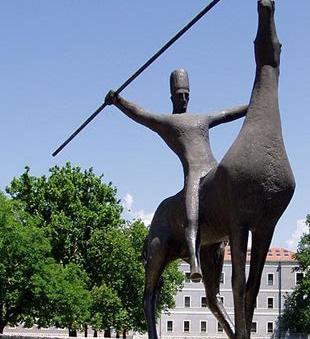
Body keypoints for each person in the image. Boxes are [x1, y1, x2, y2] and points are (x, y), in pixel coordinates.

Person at [106, 69, 248, 281]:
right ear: (171, 96)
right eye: (180, 94)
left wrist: (254, 104)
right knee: (191, 215)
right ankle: (194, 261)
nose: (183, 98)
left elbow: (228, 114)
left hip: (214, 169)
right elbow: (141, 114)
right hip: (193, 173)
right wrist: (118, 101)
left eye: (186, 95)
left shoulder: (203, 118)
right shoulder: (166, 122)